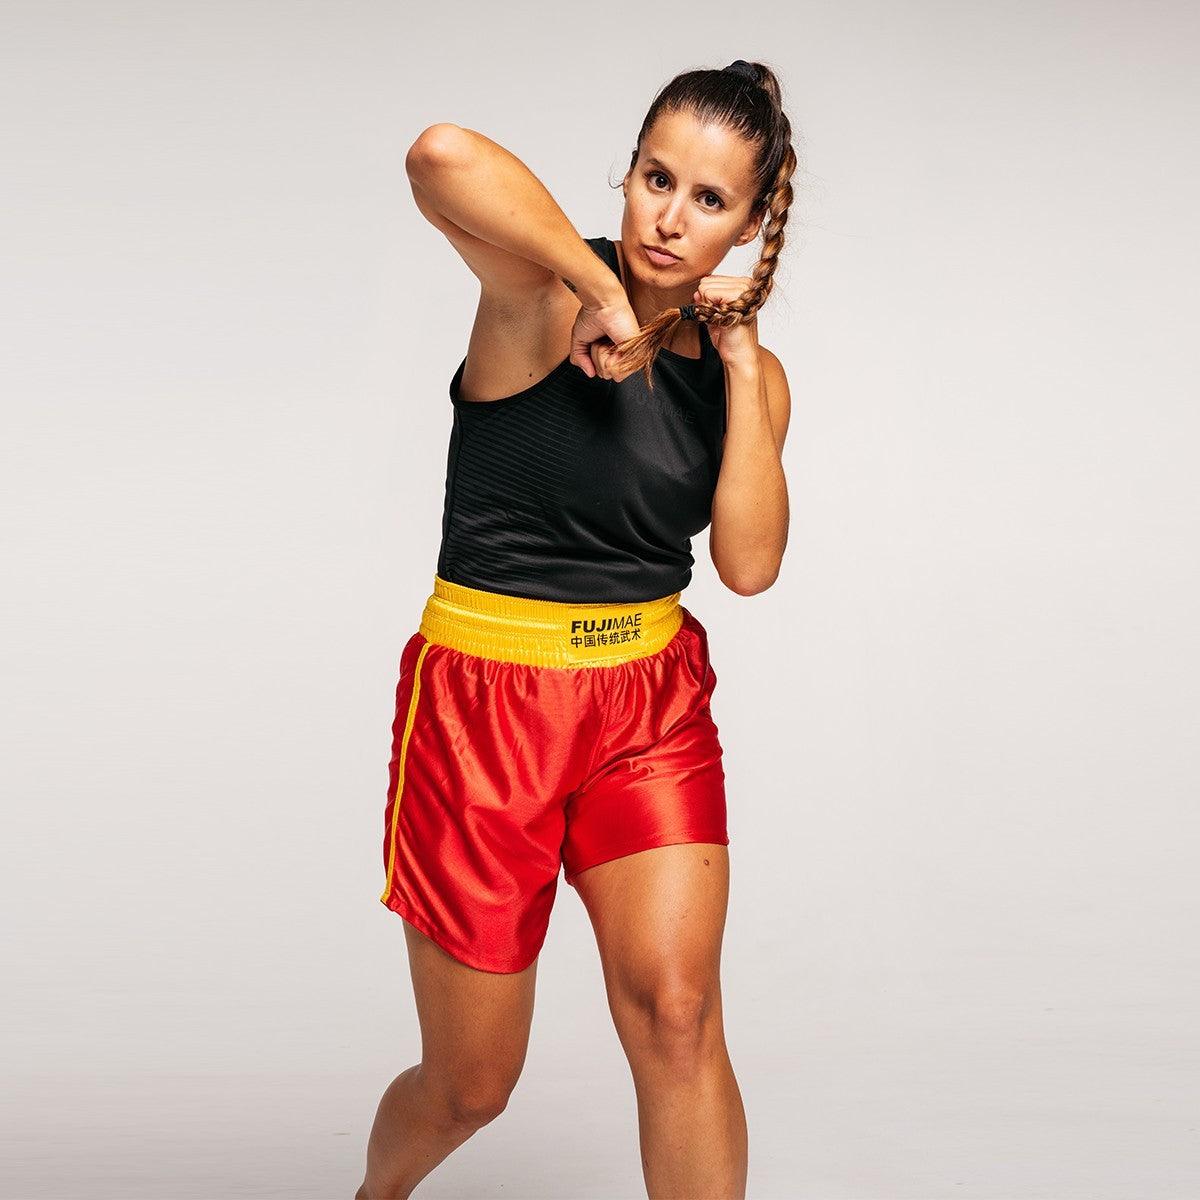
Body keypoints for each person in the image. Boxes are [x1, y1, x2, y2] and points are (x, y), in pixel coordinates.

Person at [357, 59, 796, 1200]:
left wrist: (745, 367)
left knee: (679, 1014)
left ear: (751, 222)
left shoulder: (748, 377)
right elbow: (438, 154)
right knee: (471, 1085)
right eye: (657, 178)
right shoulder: (541, 298)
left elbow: (748, 566)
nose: (669, 216)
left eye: (710, 200)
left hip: (646, 705)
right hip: (485, 705)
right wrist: (596, 295)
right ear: (630, 173)